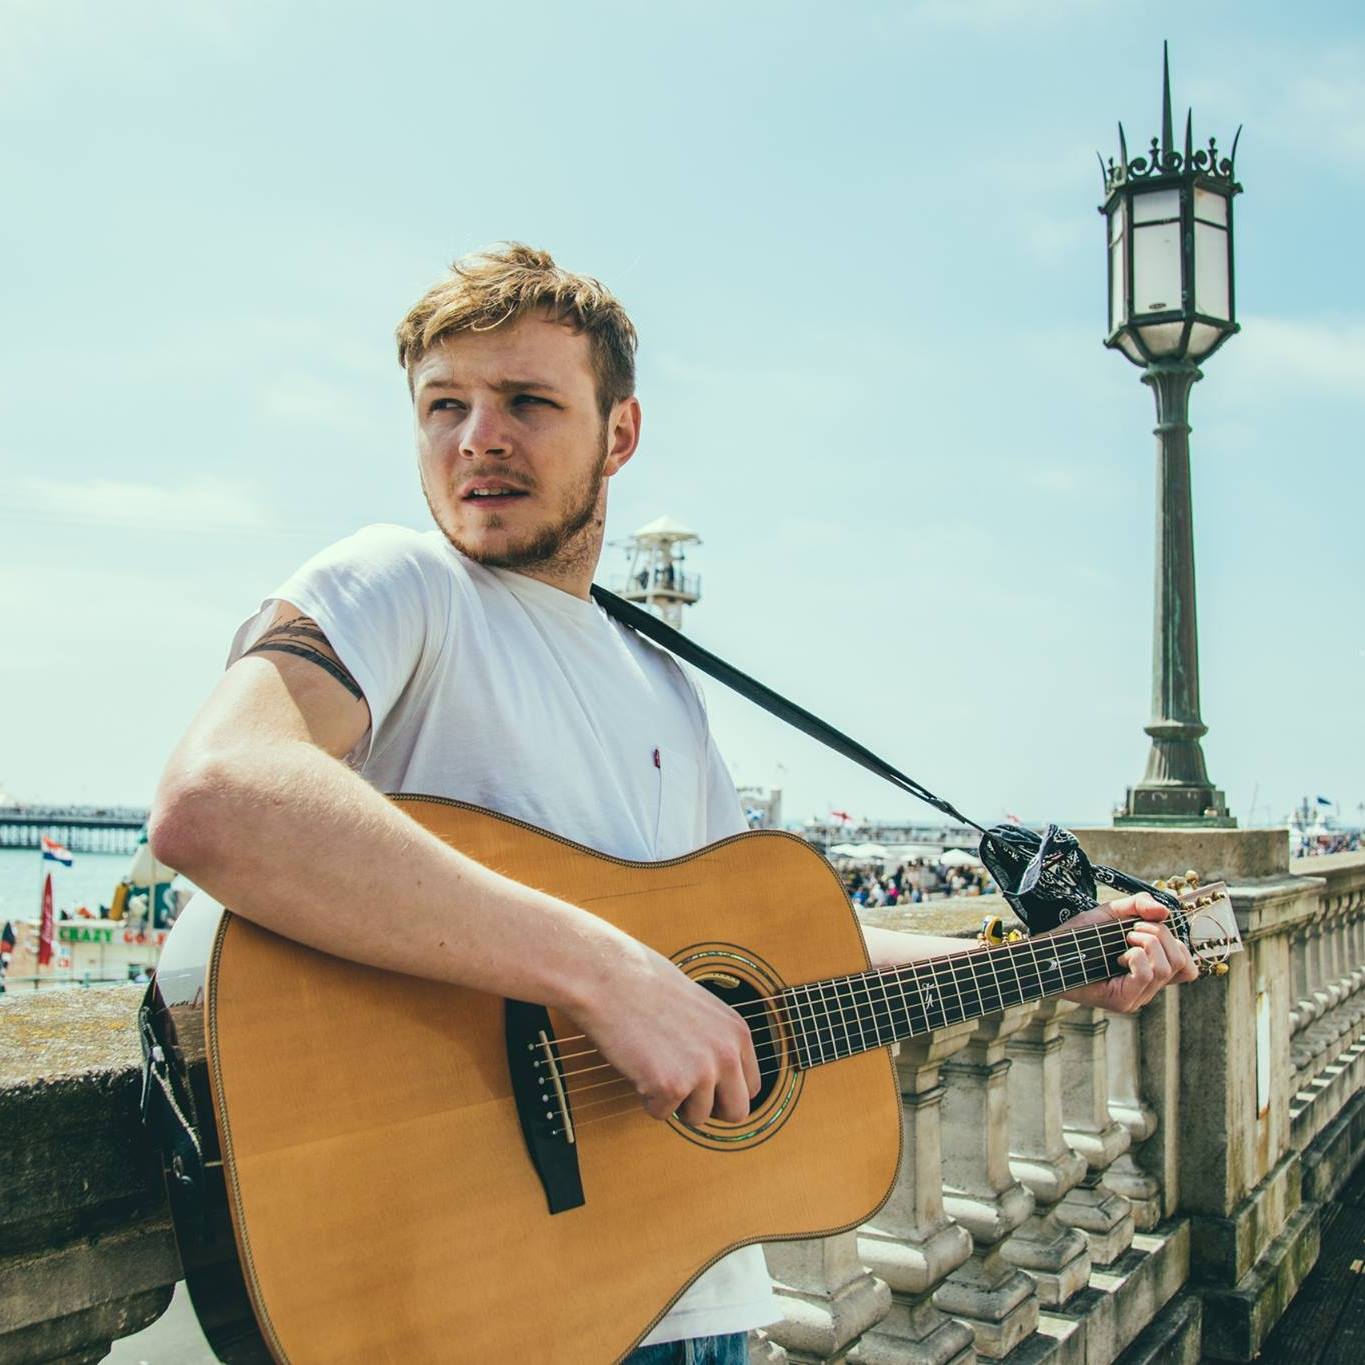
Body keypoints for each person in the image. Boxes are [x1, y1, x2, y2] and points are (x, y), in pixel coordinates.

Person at [149, 243, 1198, 1363]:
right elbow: (218, 795)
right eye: (443, 405)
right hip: (514, 1304)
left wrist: (1049, 965)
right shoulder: (401, 584)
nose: (477, 438)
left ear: (620, 433)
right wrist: (606, 974)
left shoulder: (660, 681)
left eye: (526, 401)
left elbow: (768, 953)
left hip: (702, 1295)